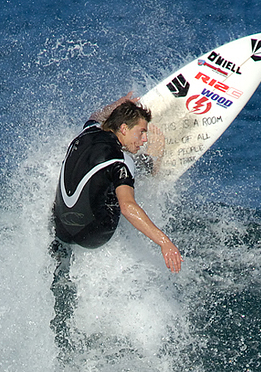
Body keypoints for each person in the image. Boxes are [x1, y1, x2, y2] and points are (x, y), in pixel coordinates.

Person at [49, 93, 182, 354]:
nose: (143, 139)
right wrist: (165, 242)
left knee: (91, 178)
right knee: (130, 172)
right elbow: (128, 207)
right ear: (123, 128)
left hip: (60, 226)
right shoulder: (121, 162)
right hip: (92, 236)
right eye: (141, 133)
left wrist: (118, 104)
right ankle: (153, 162)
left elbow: (94, 116)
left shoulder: (86, 133)